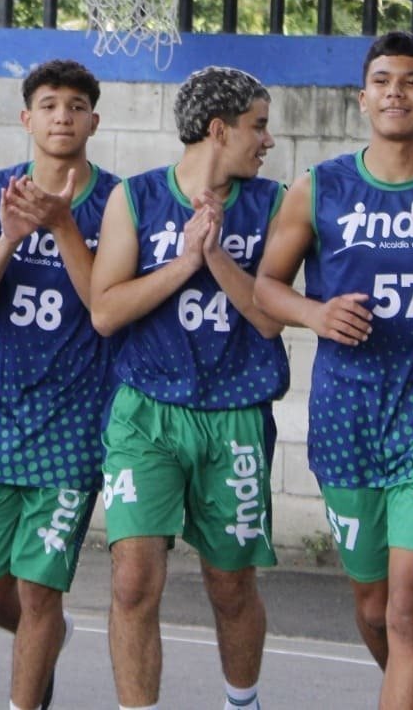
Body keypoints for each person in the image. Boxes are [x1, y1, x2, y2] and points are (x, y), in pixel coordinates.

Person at [253, 30, 413, 710]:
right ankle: (411, 682)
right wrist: (314, 314)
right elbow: (266, 287)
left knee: (408, 608)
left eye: (410, 80)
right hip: (349, 416)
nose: (394, 91)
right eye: (381, 80)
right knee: (375, 609)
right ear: (361, 98)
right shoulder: (320, 188)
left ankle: (410, 678)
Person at [90, 65, 287, 710]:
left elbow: (266, 315)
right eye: (258, 126)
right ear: (218, 129)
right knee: (133, 582)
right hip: (145, 413)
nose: (267, 140)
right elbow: (106, 311)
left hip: (234, 414)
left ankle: (242, 701)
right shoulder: (137, 198)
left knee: (229, 585)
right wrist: (181, 264)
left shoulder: (275, 204)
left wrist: (217, 258)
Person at [0, 58, 119, 710]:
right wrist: (11, 238)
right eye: (49, 104)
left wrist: (63, 225)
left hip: (75, 419)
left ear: (93, 120)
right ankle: (47, 638)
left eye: (76, 104)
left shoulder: (117, 198)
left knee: (41, 588)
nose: (62, 115)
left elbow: (106, 305)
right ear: (27, 118)